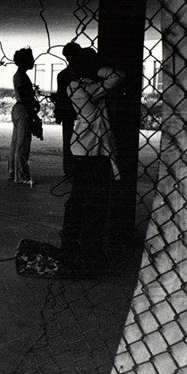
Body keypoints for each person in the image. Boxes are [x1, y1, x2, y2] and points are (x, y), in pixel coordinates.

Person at [60, 49, 125, 276]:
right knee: (94, 202)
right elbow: (118, 75)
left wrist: (90, 70)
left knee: (79, 198)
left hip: (81, 149)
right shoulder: (84, 88)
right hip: (94, 152)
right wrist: (97, 69)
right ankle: (90, 252)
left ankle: (71, 246)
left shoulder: (75, 86)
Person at [8, 48, 40, 186]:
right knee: (23, 145)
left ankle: (12, 172)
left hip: (18, 109)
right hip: (24, 111)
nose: (33, 61)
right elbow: (26, 97)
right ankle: (22, 176)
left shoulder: (19, 75)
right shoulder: (21, 77)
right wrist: (34, 114)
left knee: (15, 143)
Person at [53, 42, 82, 177]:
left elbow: (61, 96)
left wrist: (58, 112)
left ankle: (69, 168)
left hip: (68, 112)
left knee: (68, 140)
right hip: (77, 111)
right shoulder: (83, 74)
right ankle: (73, 167)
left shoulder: (63, 75)